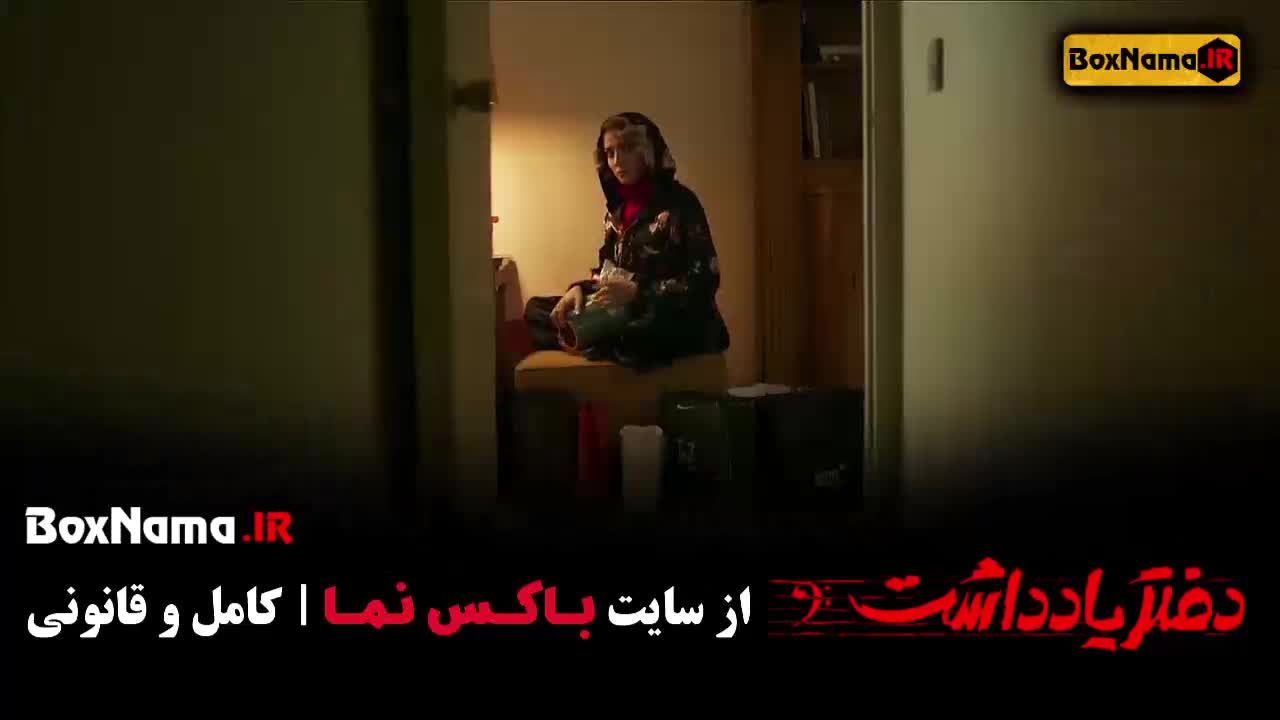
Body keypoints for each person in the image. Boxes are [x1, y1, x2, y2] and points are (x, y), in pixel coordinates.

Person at [523, 112, 731, 371]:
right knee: (536, 310)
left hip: (668, 315)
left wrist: (639, 292)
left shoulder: (681, 202)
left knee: (638, 336)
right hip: (622, 312)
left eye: (627, 149)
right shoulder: (617, 211)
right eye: (610, 153)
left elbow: (706, 278)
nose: (617, 161)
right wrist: (579, 290)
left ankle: (591, 340)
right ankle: (593, 339)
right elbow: (609, 273)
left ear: (648, 150)